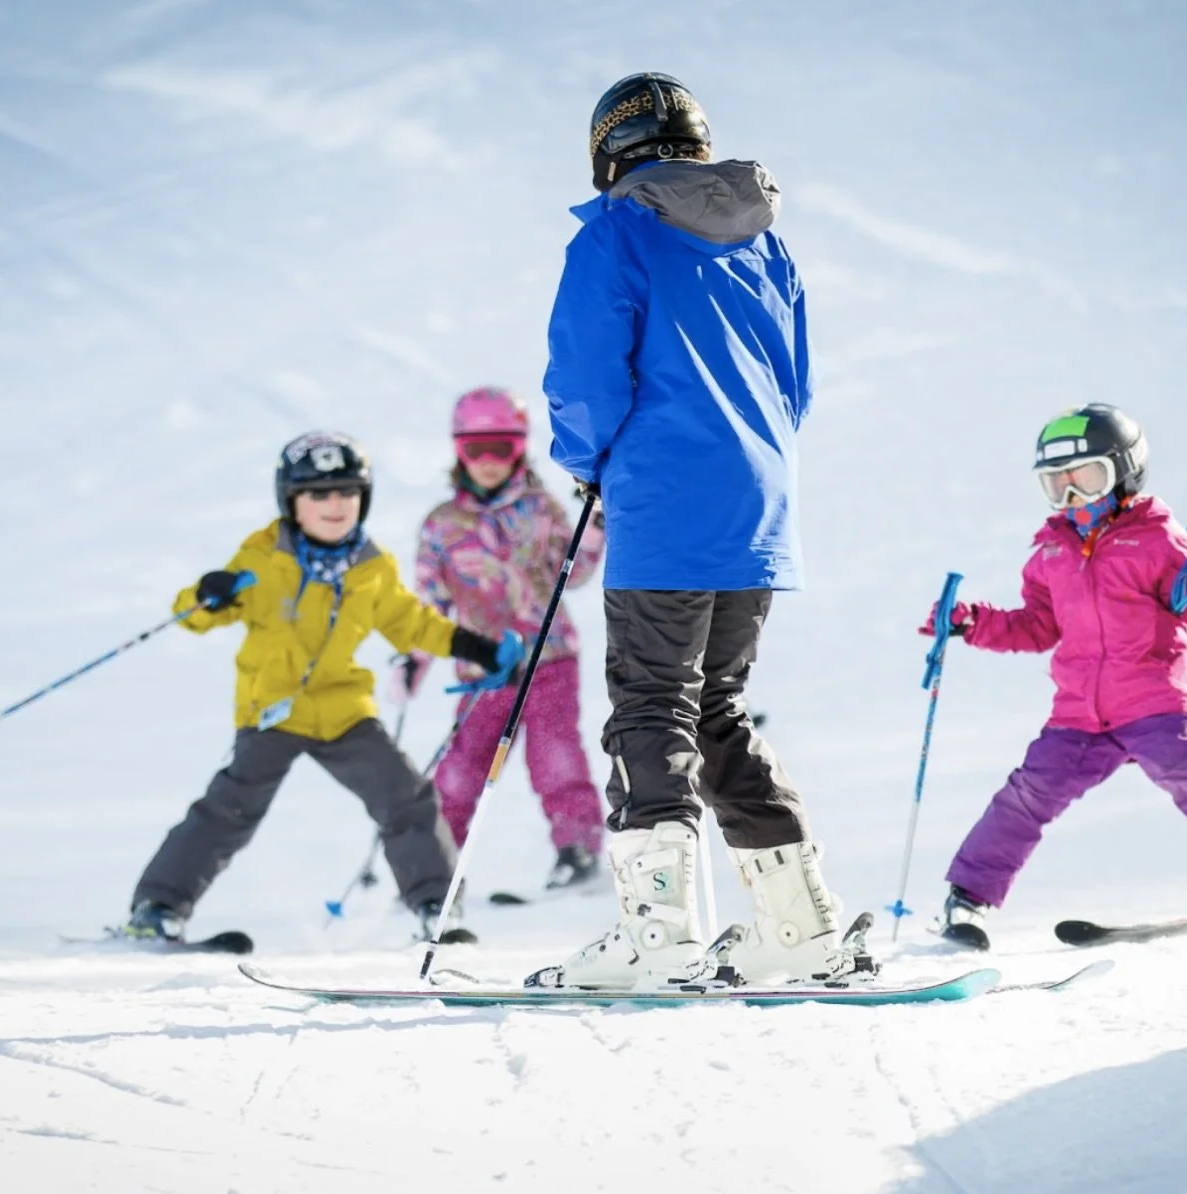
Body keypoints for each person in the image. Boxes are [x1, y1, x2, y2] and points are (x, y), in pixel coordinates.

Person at [537, 72, 870, 989]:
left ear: (610, 152)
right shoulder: (767, 244)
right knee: (713, 706)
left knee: (652, 704)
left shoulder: (614, 233)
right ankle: (799, 929)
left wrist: (585, 459)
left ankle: (661, 937)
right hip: (757, 509)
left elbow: (587, 375)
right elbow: (795, 385)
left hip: (663, 505)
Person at [927, 403, 1187, 944]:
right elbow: (1039, 626)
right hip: (1078, 715)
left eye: (1086, 478)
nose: (1071, 496)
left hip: (1152, 700)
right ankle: (967, 899)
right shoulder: (1049, 550)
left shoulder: (1158, 537)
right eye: (1056, 484)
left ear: (1124, 473)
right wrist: (975, 624)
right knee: (1025, 795)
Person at [124, 430, 524, 945]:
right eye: (318, 494)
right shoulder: (264, 559)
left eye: (347, 492)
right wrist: (209, 594)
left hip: (342, 711)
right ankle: (157, 907)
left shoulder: (371, 569)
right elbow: (193, 617)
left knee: (406, 798)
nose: (335, 505)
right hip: (272, 710)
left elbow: (413, 624)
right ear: (291, 501)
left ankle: (435, 905)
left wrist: (479, 649)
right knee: (228, 810)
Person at [390, 387, 608, 890]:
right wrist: (414, 662)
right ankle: (436, 862)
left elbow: (569, 575)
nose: (488, 463)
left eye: (500, 449)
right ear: (458, 451)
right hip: (482, 669)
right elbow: (429, 605)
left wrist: (593, 533)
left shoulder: (539, 508)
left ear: (519, 448)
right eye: (475, 450)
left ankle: (577, 847)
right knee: (462, 767)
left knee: (555, 755)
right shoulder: (443, 526)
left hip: (548, 659)